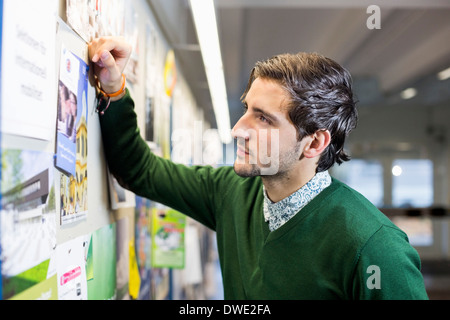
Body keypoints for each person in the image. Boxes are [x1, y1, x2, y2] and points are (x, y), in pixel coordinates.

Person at [89, 36, 429, 300]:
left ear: (313, 144)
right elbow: (139, 170)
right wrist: (115, 88)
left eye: (264, 119)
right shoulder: (230, 192)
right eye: (247, 109)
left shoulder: (374, 247)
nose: (238, 129)